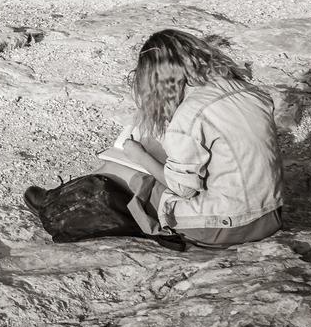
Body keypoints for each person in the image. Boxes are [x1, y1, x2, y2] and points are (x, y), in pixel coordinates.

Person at [113, 30, 283, 247]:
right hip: (271, 214)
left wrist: (140, 156)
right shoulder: (250, 91)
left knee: (135, 179)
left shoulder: (189, 114)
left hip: (229, 226)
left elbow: (182, 189)